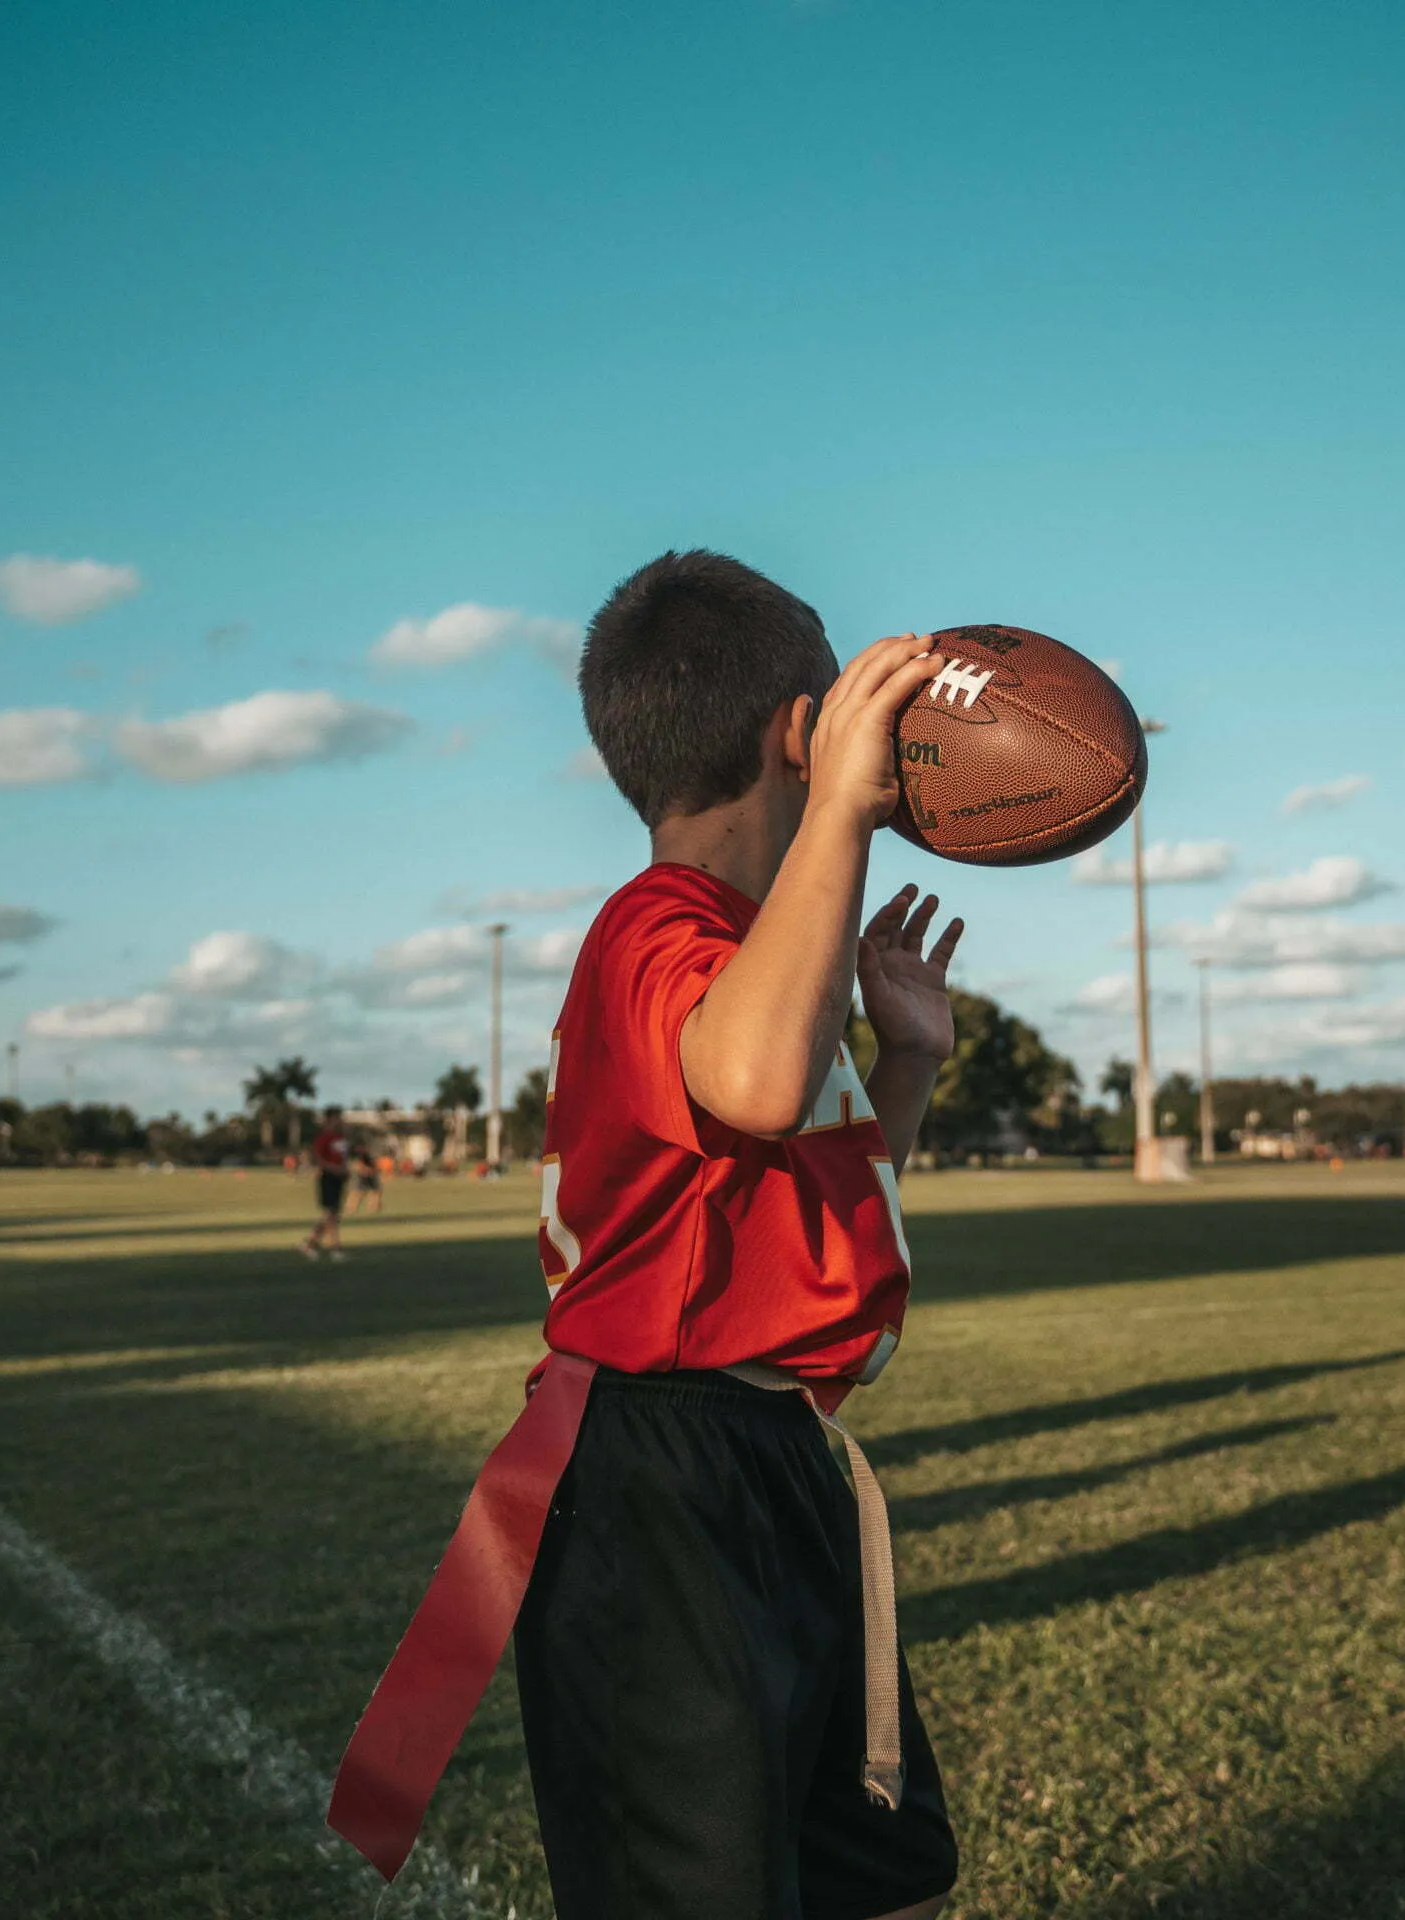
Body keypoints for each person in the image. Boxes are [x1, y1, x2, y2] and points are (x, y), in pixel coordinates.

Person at [329, 551, 963, 1920]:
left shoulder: (752, 962)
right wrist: (849, 818)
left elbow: (815, 1208)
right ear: (805, 731)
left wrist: (903, 1065)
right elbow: (754, 1085)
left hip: (774, 1449)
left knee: (883, 1875)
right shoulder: (657, 926)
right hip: (660, 1475)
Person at [299, 1107, 350, 1262]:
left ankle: (310, 1244)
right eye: (336, 1118)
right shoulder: (323, 1138)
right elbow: (319, 1159)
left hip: (339, 1178)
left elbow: (343, 1158)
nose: (339, 1121)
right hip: (328, 1177)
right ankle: (336, 1248)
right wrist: (335, 1169)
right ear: (328, 1120)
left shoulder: (341, 1137)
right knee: (330, 1214)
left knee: (333, 1214)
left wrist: (345, 1171)